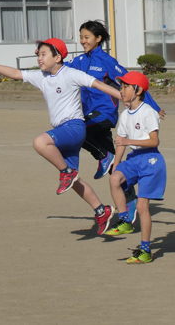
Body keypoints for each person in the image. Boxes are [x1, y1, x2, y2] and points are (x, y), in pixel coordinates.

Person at [0, 38, 120, 235]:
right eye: (38, 54)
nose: (39, 58)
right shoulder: (42, 77)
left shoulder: (70, 73)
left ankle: (66, 172)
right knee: (74, 181)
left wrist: (124, 97)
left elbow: (97, 85)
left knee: (40, 142)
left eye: (43, 54)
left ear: (58, 57)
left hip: (74, 127)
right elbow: (16, 73)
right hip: (64, 131)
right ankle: (101, 211)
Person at [64, 20, 165, 224]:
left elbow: (133, 82)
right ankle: (131, 200)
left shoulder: (106, 61)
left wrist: (153, 106)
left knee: (77, 130)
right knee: (115, 167)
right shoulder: (79, 61)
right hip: (88, 114)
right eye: (81, 37)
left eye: (87, 37)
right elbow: (61, 70)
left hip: (103, 113)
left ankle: (104, 155)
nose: (83, 41)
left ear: (98, 38)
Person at [104, 72, 167, 264]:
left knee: (142, 206)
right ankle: (125, 221)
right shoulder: (125, 114)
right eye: (121, 87)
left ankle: (145, 250)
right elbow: (120, 144)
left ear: (138, 90)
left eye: (125, 87)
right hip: (134, 159)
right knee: (114, 179)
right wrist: (116, 165)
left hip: (151, 161)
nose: (121, 90)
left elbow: (154, 141)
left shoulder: (147, 111)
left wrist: (127, 140)